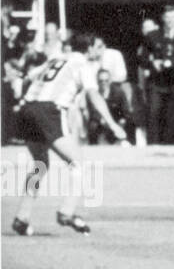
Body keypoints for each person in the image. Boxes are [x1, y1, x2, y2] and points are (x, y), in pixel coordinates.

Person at [12, 32, 126, 236]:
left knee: (40, 164)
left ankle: (22, 216)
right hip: (49, 111)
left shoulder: (56, 58)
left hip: (28, 109)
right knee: (78, 163)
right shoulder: (83, 64)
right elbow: (93, 95)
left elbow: (28, 76)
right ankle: (66, 212)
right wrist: (112, 123)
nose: (100, 51)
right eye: (98, 47)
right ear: (89, 48)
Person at [142, 5, 174, 144]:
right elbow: (142, 57)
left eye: (172, 17)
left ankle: (168, 149)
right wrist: (152, 64)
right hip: (156, 82)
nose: (170, 20)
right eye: (167, 17)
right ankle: (152, 147)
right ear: (162, 19)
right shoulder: (152, 36)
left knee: (171, 116)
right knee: (153, 113)